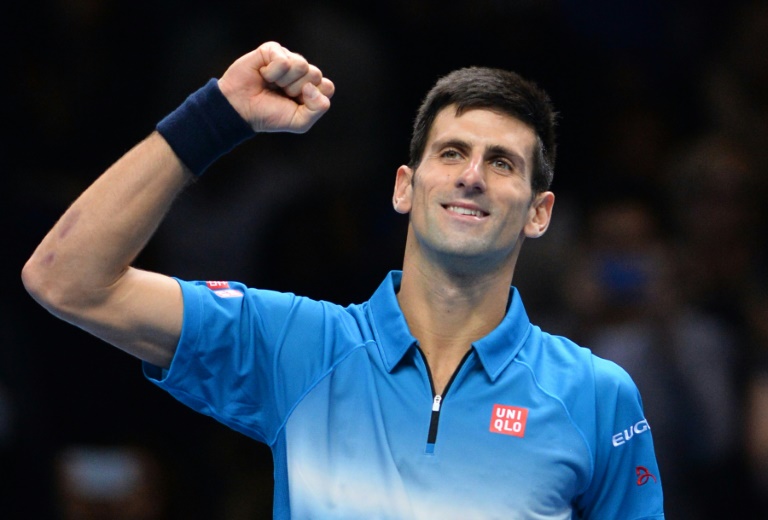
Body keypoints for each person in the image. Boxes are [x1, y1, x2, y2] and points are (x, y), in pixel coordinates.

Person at [22, 41, 665, 519]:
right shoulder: (297, 346)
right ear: (404, 188)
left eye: (501, 163)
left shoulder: (596, 397)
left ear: (539, 213)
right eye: (451, 152)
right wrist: (215, 116)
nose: (472, 176)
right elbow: (66, 280)